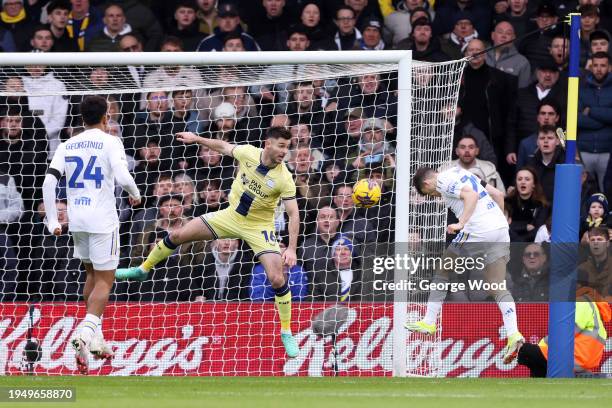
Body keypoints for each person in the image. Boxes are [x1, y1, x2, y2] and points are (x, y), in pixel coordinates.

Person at [115, 127, 301, 358]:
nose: (285, 151)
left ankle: (286, 331)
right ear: (268, 144)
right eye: (281, 146)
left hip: (259, 228)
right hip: (230, 216)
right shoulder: (248, 153)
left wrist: (291, 249)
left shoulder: (284, 178)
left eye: (287, 146)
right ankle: (142, 270)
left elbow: (293, 214)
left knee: (277, 277)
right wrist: (196, 138)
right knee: (176, 236)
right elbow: (223, 146)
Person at [41, 95, 141, 374]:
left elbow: (49, 182)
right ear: (106, 117)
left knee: (91, 276)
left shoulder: (67, 144)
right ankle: (83, 334)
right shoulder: (111, 141)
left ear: (81, 118)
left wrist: (52, 221)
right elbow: (122, 176)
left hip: (77, 220)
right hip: (103, 221)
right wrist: (136, 194)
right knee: (106, 282)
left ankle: (96, 339)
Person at [408, 166, 524, 364]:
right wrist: (499, 222)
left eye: (431, 194)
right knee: (496, 285)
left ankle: (428, 321)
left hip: (478, 229)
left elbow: (471, 196)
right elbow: (497, 194)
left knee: (443, 268)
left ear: (427, 184)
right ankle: (514, 334)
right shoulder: (461, 171)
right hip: (500, 227)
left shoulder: (443, 181)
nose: (436, 196)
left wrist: (461, 222)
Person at [517, 284, 611, 377]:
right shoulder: (594, 309)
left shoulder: (582, 302)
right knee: (535, 357)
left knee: (526, 351)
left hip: (571, 359)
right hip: (582, 361)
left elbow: (566, 333)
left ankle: (540, 387)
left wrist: (541, 345)